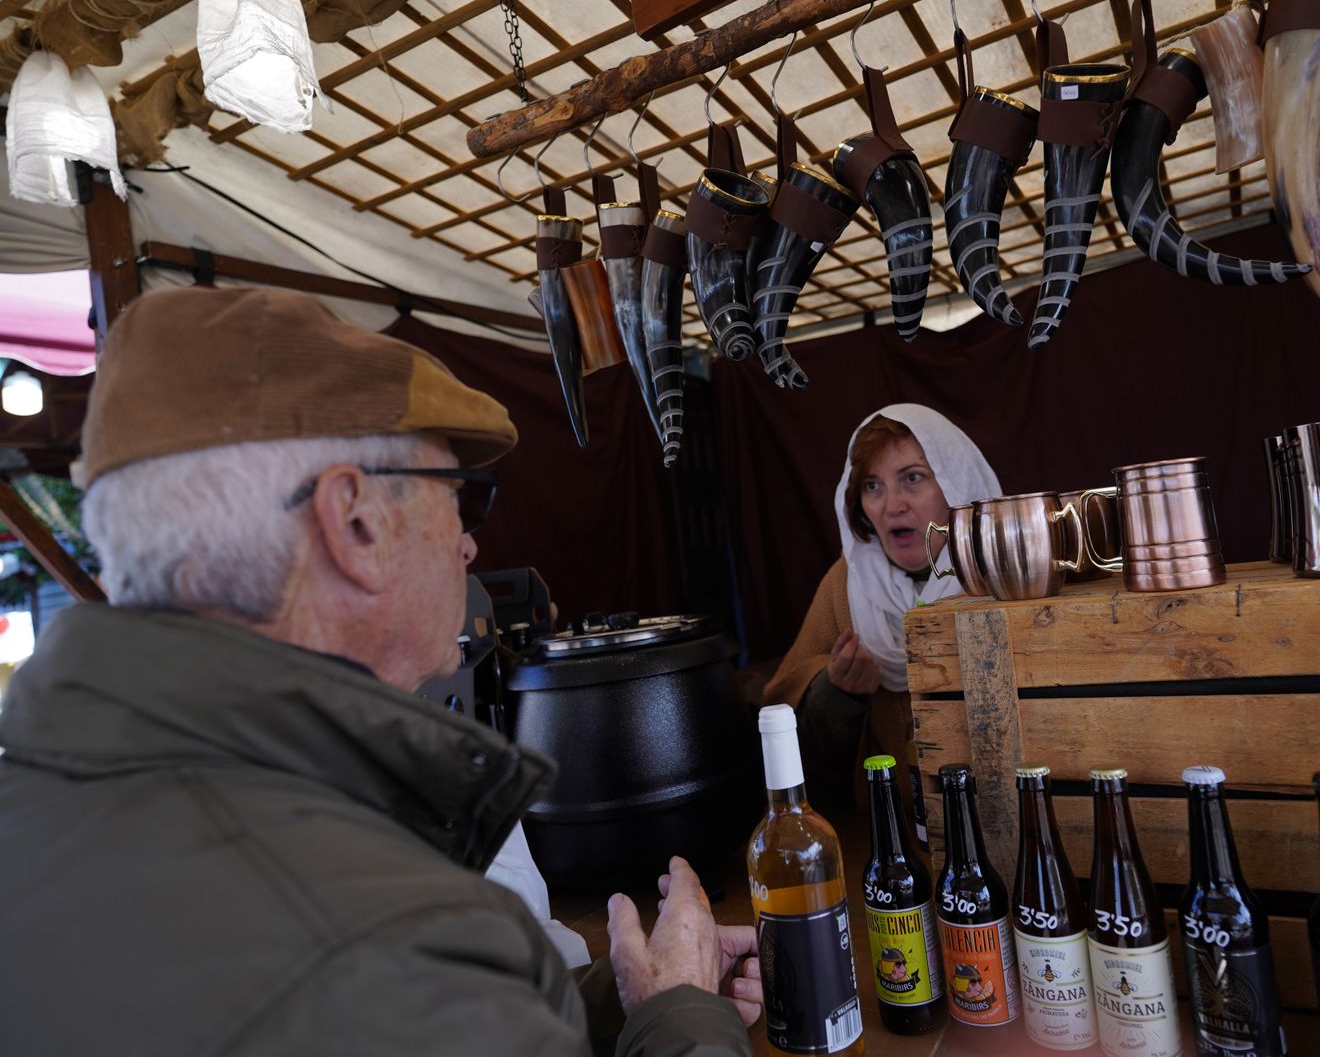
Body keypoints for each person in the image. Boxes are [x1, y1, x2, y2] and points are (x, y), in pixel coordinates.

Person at [0, 286, 760, 1057]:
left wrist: (628, 1001)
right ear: (354, 522)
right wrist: (685, 1016)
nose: (467, 547)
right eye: (462, 500)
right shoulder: (381, 930)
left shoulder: (44, 804)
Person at [763, 403, 1001, 806]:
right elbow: (787, 730)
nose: (892, 505)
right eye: (873, 486)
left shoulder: (1002, 574)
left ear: (956, 486)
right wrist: (836, 692)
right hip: (890, 832)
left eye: (912, 478)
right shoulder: (845, 584)